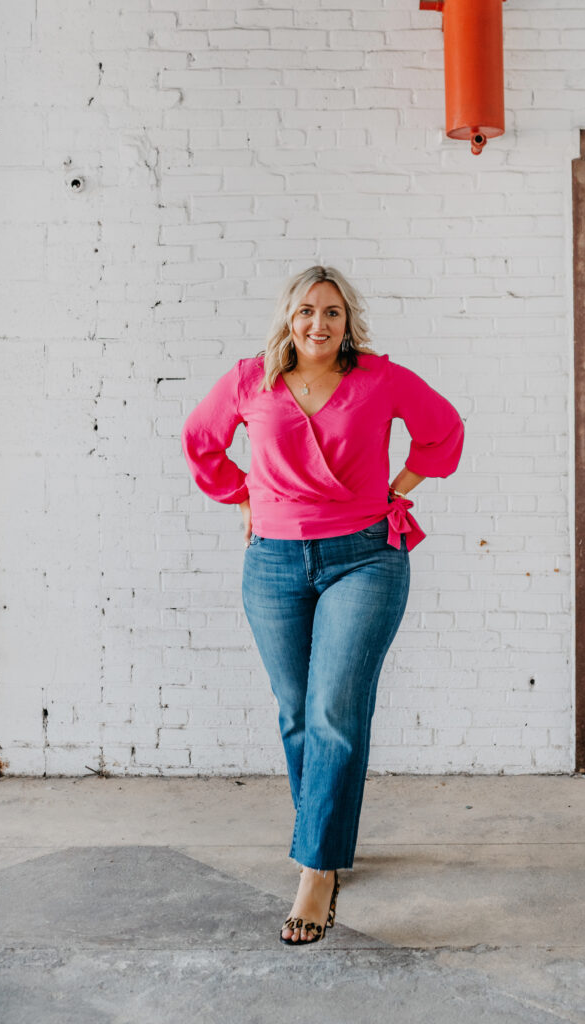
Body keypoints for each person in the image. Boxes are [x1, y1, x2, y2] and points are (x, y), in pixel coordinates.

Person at [181, 265, 464, 945]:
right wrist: (244, 495)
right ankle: (326, 834)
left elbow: (443, 430)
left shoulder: (380, 378)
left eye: (332, 312)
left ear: (347, 321)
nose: (318, 323)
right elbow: (201, 442)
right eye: (306, 310)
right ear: (288, 317)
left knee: (334, 710)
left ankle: (315, 867)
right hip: (273, 561)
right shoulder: (251, 379)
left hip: (366, 556)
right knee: (295, 710)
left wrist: (399, 486)